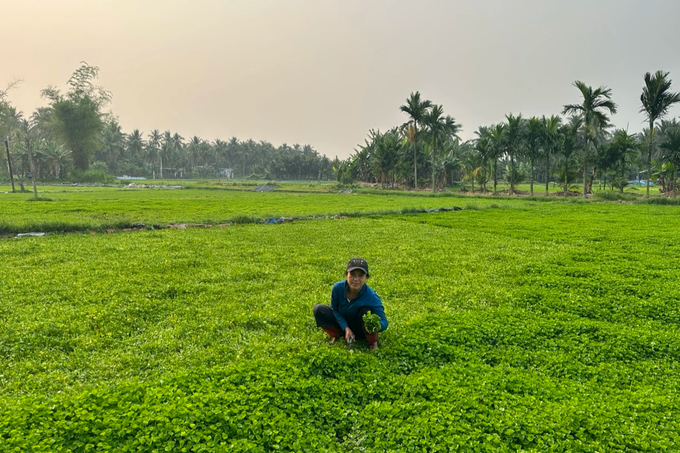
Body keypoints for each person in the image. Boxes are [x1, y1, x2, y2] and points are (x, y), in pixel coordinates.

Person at [313, 258, 388, 350]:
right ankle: (338, 334)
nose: (356, 279)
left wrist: (375, 326)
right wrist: (346, 327)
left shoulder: (371, 296)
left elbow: (384, 321)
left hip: (360, 327)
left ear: (366, 277)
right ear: (346, 274)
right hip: (342, 324)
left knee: (366, 312)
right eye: (352, 274)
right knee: (319, 309)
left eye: (361, 276)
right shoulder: (338, 288)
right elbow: (335, 310)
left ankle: (372, 342)